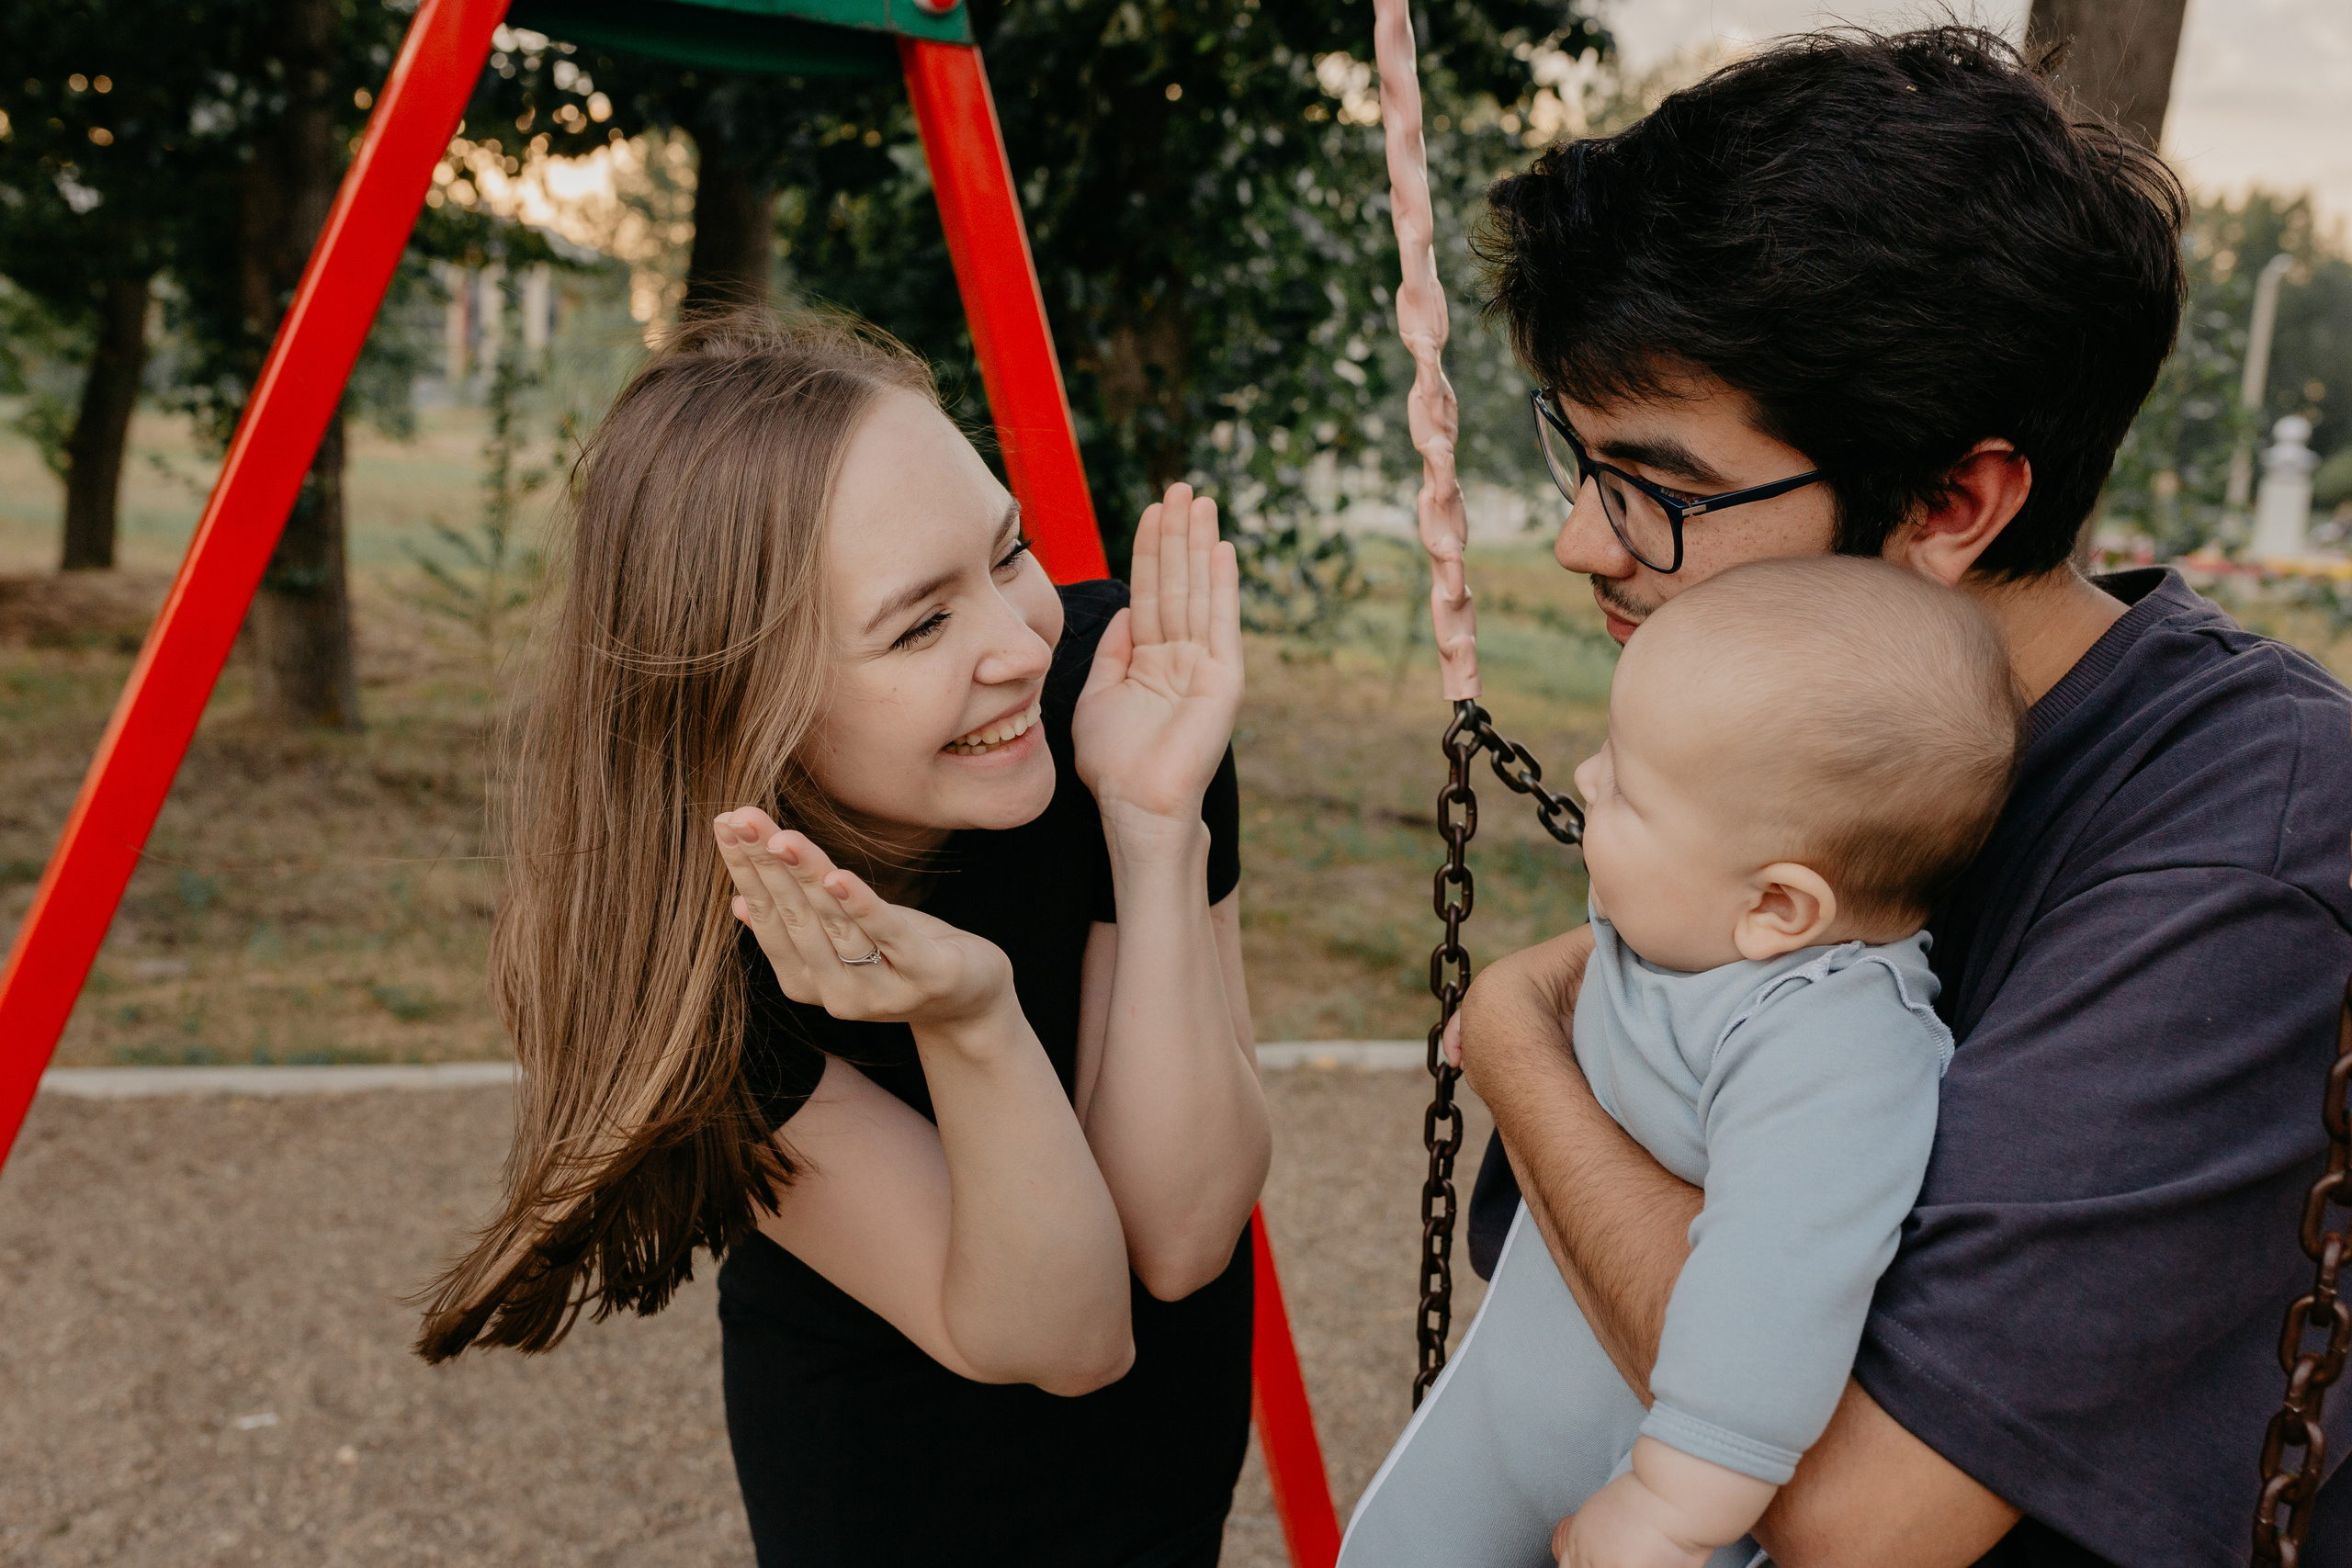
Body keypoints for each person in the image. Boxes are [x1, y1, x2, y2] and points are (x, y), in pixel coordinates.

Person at [1448, 26, 2352, 1567]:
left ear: (1954, 500)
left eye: (1655, 490)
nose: (1585, 546)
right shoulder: (1809, 738)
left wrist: (1513, 1041)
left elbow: (1861, 1509)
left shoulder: (2241, 840)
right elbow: (1564, 1246)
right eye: (1579, 464)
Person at [413, 316, 1271, 1568]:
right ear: (751, 702)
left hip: (1162, 1482)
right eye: (920, 627)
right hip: (900, 1495)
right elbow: (1067, 1331)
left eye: (1008, 551)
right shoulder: (693, 942)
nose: (1019, 644)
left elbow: (1183, 1234)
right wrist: (968, 1017)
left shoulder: (1117, 697)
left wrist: (1153, 822)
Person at [1341, 559, 2022, 1568]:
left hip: (1656, 1471)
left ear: (1778, 908)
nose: (1582, 777)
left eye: (1625, 784)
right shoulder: (1695, 921)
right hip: (1497, 1421)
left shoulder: (1833, 1046)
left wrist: (1672, 1505)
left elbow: (1775, 1285)